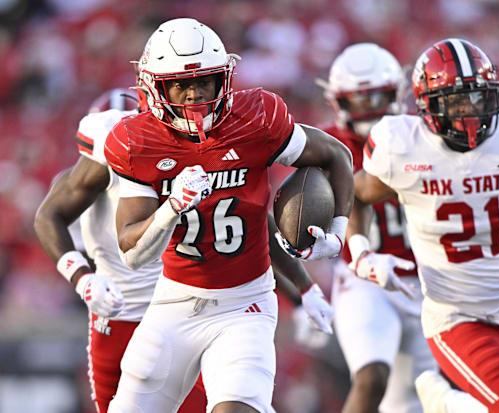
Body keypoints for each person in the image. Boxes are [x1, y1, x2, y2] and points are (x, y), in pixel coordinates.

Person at [103, 18, 353, 413]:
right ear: (154, 85)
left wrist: (337, 234)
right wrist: (171, 208)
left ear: (225, 79)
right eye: (181, 85)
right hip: (175, 304)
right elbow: (133, 254)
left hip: (246, 304)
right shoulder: (137, 143)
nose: (194, 96)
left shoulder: (256, 120)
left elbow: (335, 155)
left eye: (204, 82)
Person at [34, 86, 334, 412]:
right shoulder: (114, 148)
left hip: (185, 307)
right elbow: (50, 216)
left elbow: (247, 228)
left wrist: (303, 292)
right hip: (121, 313)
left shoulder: (193, 149)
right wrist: (82, 279)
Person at [347, 38, 499, 413]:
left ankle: (451, 406)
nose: (472, 112)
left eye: (480, 98)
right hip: (455, 316)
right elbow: (356, 195)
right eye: (458, 101)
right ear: (426, 105)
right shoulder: (405, 147)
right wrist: (361, 255)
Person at [316, 43, 436, 413]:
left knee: (425, 399)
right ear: (338, 102)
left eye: (377, 97)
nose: (369, 109)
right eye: (358, 100)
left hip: (428, 281)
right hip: (362, 277)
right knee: (370, 380)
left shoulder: (423, 135)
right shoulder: (324, 145)